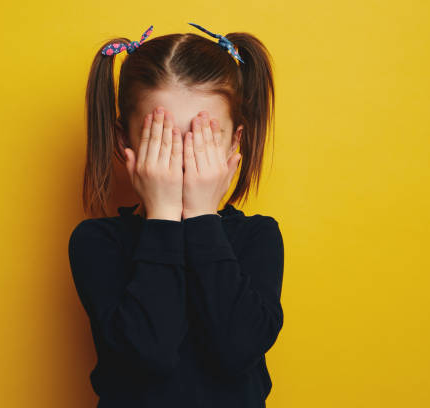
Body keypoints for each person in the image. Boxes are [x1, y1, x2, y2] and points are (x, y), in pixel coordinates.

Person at [68, 23, 285, 408]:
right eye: (163, 139)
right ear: (125, 141)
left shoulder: (258, 238)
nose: (184, 159)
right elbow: (147, 356)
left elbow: (236, 351)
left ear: (236, 141)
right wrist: (164, 215)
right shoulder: (97, 242)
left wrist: (202, 216)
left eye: (202, 139)